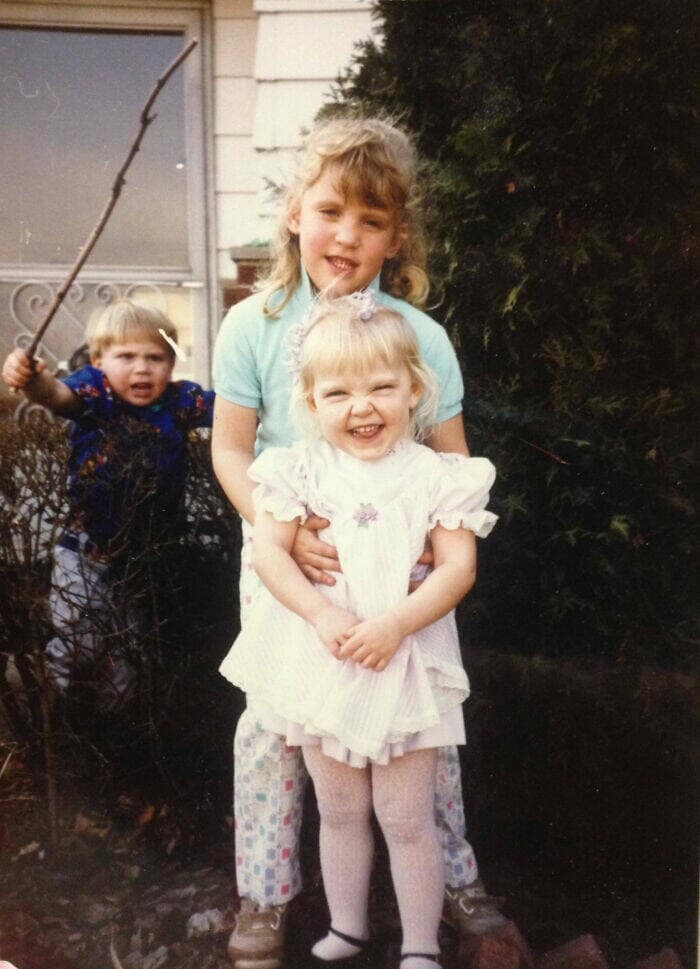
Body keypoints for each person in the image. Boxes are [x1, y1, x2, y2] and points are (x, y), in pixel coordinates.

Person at [211, 115, 507, 968]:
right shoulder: (255, 325)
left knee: (417, 723)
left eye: (371, 220)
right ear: (296, 212)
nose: (347, 235)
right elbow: (232, 446)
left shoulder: (422, 338)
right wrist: (284, 533)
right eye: (333, 210)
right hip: (283, 553)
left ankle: (453, 879)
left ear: (397, 235)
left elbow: (453, 462)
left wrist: (425, 553)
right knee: (276, 724)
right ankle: (265, 894)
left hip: (396, 568)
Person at [1, 299, 214, 708]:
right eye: (126, 356)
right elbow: (56, 396)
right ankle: (57, 710)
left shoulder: (180, 401)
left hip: (149, 553)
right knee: (78, 635)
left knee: (131, 645)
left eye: (156, 358)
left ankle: (114, 723)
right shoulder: (96, 394)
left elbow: (235, 411)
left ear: (172, 364)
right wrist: (31, 381)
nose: (142, 368)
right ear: (99, 361)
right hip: (87, 551)